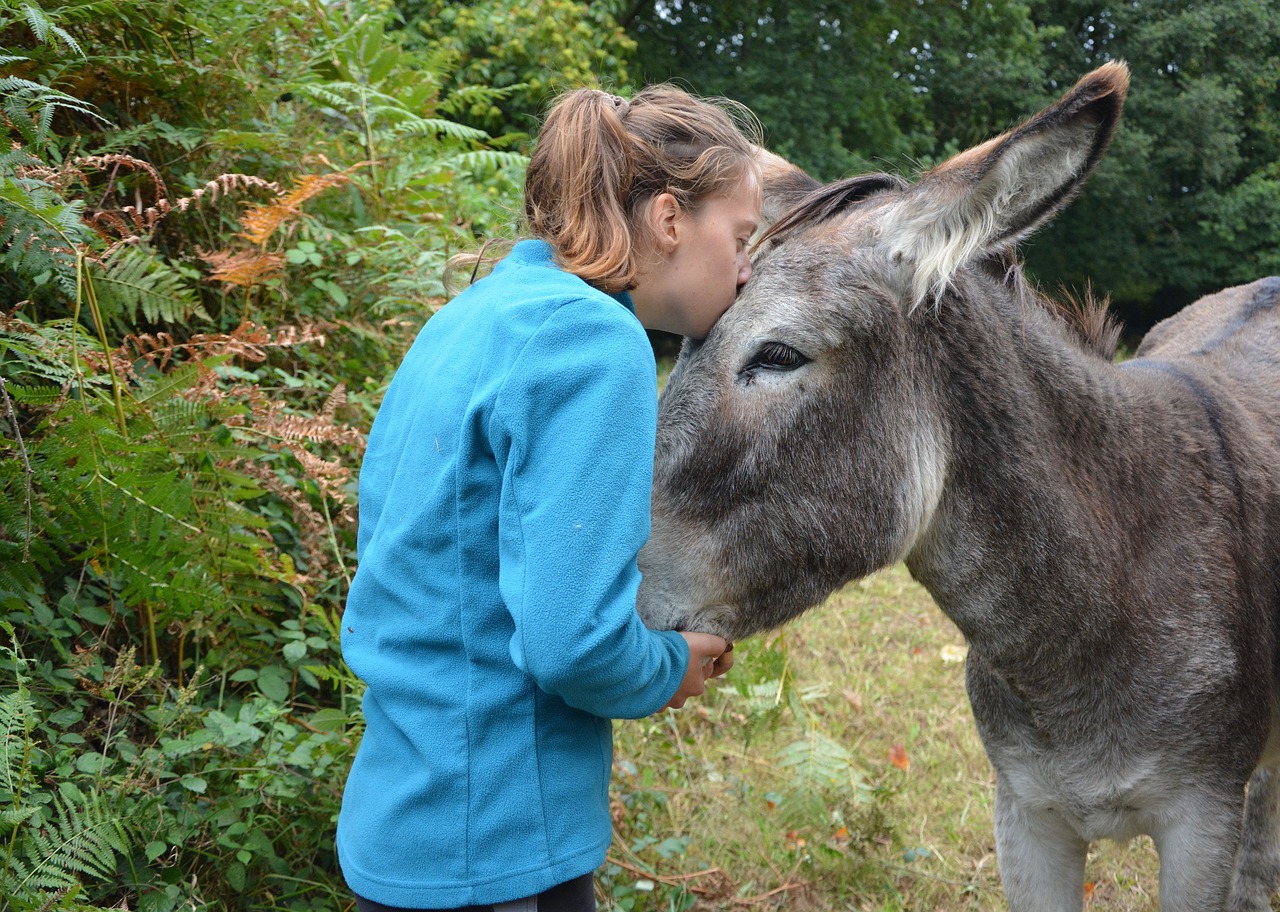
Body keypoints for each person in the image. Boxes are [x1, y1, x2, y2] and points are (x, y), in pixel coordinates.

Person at [336, 84, 763, 912]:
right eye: (741, 238)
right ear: (670, 220)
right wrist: (668, 668)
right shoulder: (596, 340)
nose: (747, 272)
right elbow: (571, 642)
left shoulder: (468, 318)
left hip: (404, 821)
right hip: (496, 849)